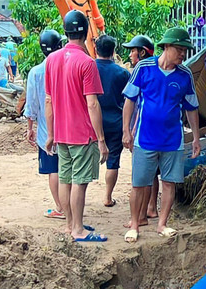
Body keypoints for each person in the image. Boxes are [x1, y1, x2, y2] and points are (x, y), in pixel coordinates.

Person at [122, 27, 201, 242]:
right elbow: (130, 101)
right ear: (166, 47)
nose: (183, 54)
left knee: (169, 183)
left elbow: (191, 108)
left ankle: (162, 224)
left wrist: (195, 138)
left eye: (185, 50)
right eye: (179, 49)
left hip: (172, 140)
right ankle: (135, 225)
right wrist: (126, 131)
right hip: (144, 139)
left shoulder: (185, 75)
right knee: (139, 184)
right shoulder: (144, 68)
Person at [45, 9, 109, 243]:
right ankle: (78, 229)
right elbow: (92, 104)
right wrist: (101, 140)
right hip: (82, 134)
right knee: (79, 183)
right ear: (87, 33)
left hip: (61, 132)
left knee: (65, 179)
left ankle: (70, 225)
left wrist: (51, 133)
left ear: (65, 31)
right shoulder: (87, 63)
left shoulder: (51, 60)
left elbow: (49, 100)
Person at [121, 35, 160, 230]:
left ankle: (141, 215)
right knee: (152, 173)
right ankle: (151, 208)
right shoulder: (157, 67)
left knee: (141, 175)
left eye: (132, 50)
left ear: (142, 52)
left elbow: (132, 103)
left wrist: (128, 130)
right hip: (154, 132)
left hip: (142, 131)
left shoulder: (141, 69)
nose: (130, 54)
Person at [25, 30, 64, 220]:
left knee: (52, 169)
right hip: (68, 128)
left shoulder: (36, 72)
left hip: (45, 130)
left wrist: (29, 127)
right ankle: (70, 204)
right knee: (67, 169)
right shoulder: (66, 67)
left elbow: (31, 103)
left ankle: (60, 207)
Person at [95, 35, 131, 209]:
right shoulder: (122, 73)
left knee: (86, 159)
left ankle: (78, 196)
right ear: (113, 51)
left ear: (96, 49)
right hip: (116, 122)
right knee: (113, 161)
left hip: (92, 123)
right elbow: (129, 100)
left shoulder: (89, 68)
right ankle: (107, 197)